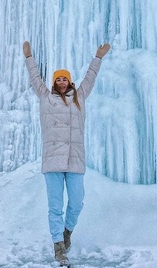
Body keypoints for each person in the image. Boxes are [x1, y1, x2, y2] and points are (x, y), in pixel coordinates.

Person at [23, 40, 111, 267]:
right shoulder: (45, 98)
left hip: (75, 160)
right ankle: (58, 247)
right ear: (54, 82)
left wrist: (98, 57)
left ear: (69, 81)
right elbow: (35, 78)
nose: (61, 82)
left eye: (64, 78)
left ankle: (67, 232)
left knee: (77, 202)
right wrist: (29, 57)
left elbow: (90, 78)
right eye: (58, 79)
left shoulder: (79, 97)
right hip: (52, 161)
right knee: (55, 206)